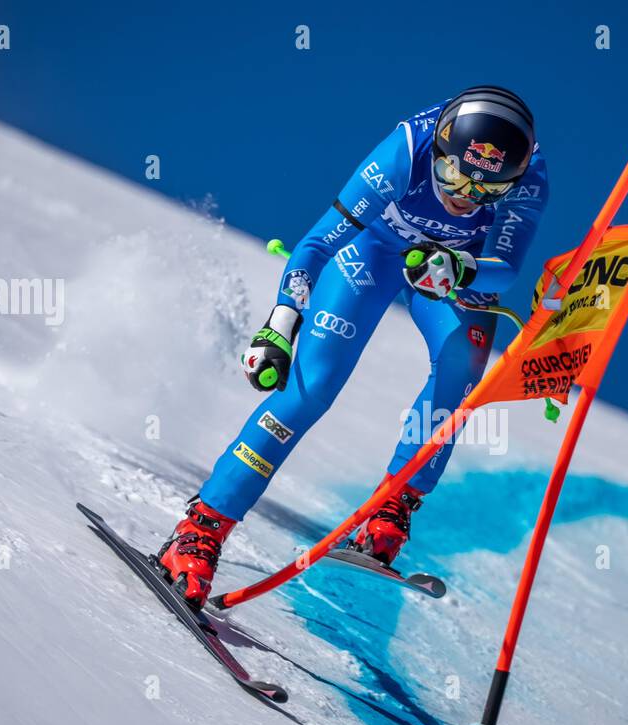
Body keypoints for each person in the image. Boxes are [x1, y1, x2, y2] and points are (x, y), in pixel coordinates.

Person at [157, 85, 549, 606]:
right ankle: (200, 531)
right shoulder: (407, 150)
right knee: (310, 386)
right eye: (454, 176)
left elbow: (507, 269)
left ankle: (393, 508)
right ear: (441, 148)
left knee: (462, 363)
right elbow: (318, 243)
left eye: (486, 192)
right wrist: (280, 324)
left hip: (450, 272)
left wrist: (462, 266)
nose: (464, 196)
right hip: (375, 254)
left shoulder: (528, 178)